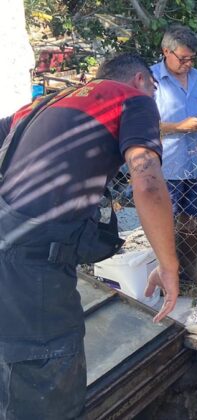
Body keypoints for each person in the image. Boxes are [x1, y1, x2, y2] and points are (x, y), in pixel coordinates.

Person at [0, 53, 179, 418]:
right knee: (48, 380)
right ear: (142, 81)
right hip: (31, 268)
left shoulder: (46, 102)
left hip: (11, 248)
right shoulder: (133, 100)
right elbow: (146, 181)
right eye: (155, 88)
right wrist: (168, 265)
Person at [151, 24, 197, 283]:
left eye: (192, 58)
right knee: (164, 225)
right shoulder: (150, 80)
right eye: (183, 58)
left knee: (192, 223)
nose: (188, 64)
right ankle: (164, 275)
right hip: (167, 167)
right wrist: (179, 127)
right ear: (165, 51)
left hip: (196, 162)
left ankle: (190, 271)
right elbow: (144, 125)